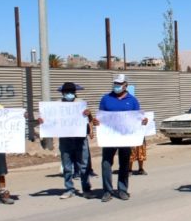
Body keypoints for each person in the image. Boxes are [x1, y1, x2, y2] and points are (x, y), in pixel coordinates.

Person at [92, 74, 147, 202]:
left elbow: (138, 118)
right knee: (106, 163)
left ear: (125, 85)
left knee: (124, 164)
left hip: (125, 138)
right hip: (109, 138)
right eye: (115, 84)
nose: (116, 86)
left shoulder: (132, 100)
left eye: (119, 84)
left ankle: (122, 190)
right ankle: (107, 191)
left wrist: (143, 121)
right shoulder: (106, 99)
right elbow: (101, 117)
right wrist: (96, 122)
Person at [37, 82, 94, 199]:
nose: (70, 94)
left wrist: (88, 115)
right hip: (65, 140)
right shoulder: (57, 105)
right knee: (67, 166)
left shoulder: (81, 104)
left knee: (84, 165)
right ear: (62, 93)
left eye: (72, 92)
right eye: (67, 92)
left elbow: (90, 119)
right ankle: (69, 189)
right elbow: (49, 119)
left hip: (80, 139)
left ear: (75, 93)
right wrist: (42, 121)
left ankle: (86, 189)